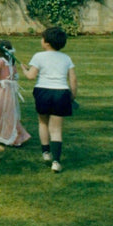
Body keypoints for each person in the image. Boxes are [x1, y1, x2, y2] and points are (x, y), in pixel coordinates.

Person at [22, 26, 78, 173]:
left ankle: (46, 152)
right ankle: (56, 162)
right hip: (61, 93)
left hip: (43, 92)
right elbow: (73, 79)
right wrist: (72, 95)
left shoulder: (38, 56)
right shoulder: (66, 58)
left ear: (46, 42)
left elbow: (31, 76)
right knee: (56, 129)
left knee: (43, 122)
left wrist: (24, 69)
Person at [0, 41, 31, 147]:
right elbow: (15, 77)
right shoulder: (11, 62)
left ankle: (8, 135)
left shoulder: (0, 61)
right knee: (5, 112)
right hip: (8, 91)